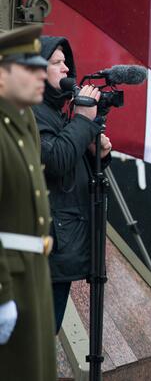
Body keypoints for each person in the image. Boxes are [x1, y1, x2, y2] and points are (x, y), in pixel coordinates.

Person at [32, 35, 112, 333]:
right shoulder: (34, 111)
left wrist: (97, 154)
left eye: (66, 62)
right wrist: (81, 121)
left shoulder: (55, 111)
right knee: (40, 333)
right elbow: (55, 161)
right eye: (56, 63)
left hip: (62, 242)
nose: (66, 69)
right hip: (47, 245)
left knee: (46, 332)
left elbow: (71, 166)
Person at [0, 24, 57, 380]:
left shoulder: (21, 126)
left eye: (41, 66)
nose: (40, 74)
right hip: (11, 280)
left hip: (31, 276)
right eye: (28, 67)